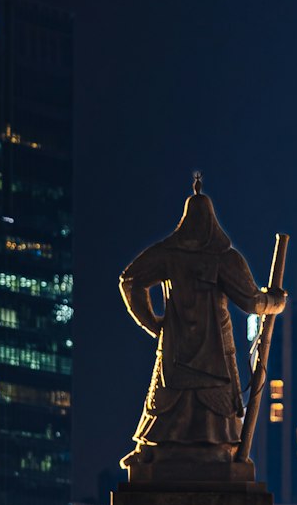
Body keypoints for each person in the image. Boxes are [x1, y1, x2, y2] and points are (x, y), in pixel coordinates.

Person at [119, 178, 286, 471]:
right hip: (212, 352)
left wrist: (155, 325)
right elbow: (252, 302)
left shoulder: (169, 254)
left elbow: (131, 281)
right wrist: (275, 301)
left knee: (177, 400)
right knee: (199, 403)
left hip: (180, 348)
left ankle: (159, 452)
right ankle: (201, 453)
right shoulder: (224, 257)